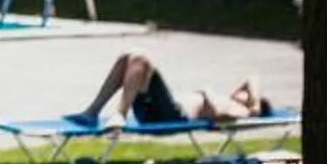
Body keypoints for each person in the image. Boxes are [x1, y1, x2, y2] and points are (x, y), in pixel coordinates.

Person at [72, 51, 271, 128]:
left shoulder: (242, 110)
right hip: (161, 108)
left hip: (173, 115)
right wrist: (251, 96)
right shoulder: (231, 98)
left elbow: (218, 116)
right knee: (127, 58)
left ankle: (120, 114)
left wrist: (254, 105)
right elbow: (252, 77)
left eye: (245, 93)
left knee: (143, 60)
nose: (240, 90)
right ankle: (93, 112)